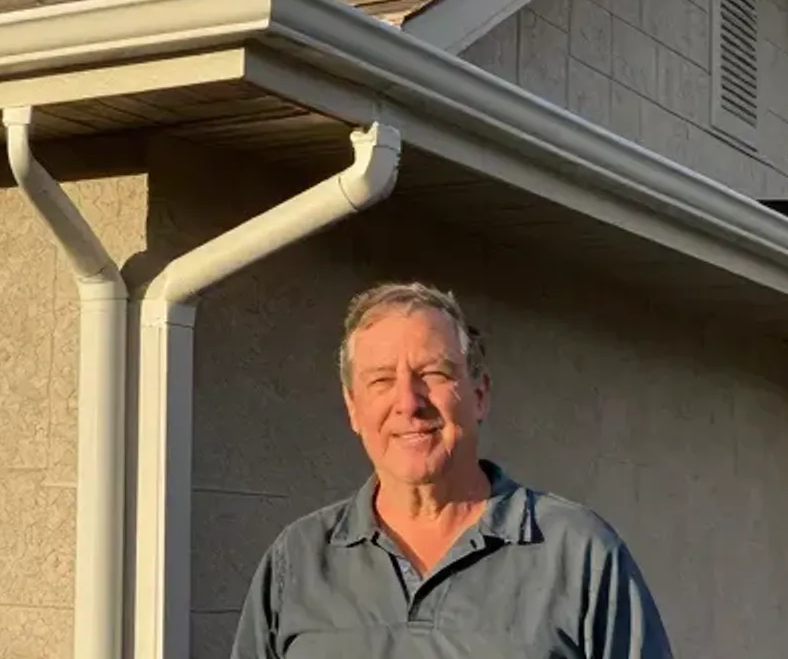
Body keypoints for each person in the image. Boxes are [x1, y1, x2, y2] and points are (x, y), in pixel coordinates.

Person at [229, 281, 672, 658]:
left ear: (479, 394)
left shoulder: (577, 553)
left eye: (434, 374)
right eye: (381, 380)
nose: (408, 403)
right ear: (353, 409)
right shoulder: (299, 560)